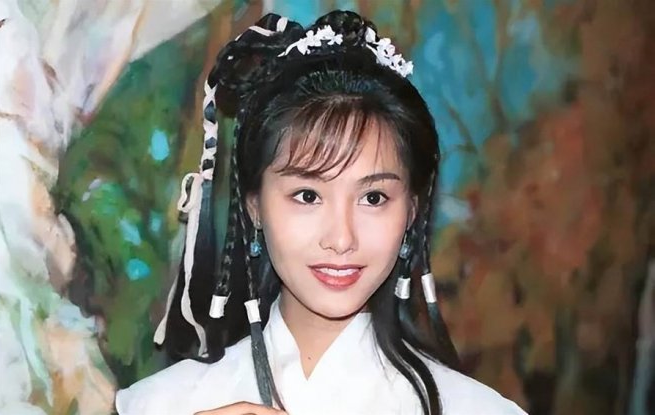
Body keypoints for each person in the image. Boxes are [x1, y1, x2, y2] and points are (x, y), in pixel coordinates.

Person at [115, 10, 528, 415]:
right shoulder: (160, 405)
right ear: (254, 206)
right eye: (308, 195)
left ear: (411, 212)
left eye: (373, 198)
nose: (341, 238)